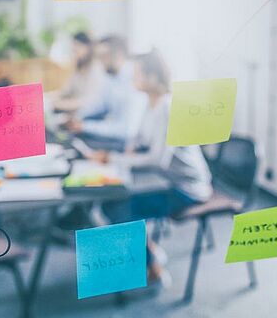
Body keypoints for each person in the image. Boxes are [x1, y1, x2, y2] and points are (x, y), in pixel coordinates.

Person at [91, 50, 213, 285]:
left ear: (153, 78)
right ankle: (149, 249)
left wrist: (115, 159)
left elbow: (158, 160)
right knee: (111, 203)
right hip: (163, 179)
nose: (132, 78)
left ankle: (152, 265)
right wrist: (127, 151)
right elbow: (139, 140)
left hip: (186, 188)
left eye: (136, 74)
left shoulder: (168, 107)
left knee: (119, 209)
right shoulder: (150, 103)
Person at [66, 35, 145, 152]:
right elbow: (101, 104)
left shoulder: (135, 80)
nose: (100, 62)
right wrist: (78, 117)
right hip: (115, 135)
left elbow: (126, 130)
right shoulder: (111, 76)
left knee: (77, 146)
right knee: (71, 140)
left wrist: (85, 126)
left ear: (119, 54)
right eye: (99, 57)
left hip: (128, 143)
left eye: (104, 56)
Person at [53, 32, 105, 113]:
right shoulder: (78, 69)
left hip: (88, 115)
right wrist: (48, 99)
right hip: (73, 113)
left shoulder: (96, 69)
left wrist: (60, 104)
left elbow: (89, 101)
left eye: (77, 48)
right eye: (73, 50)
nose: (74, 52)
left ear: (88, 48)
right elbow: (65, 91)